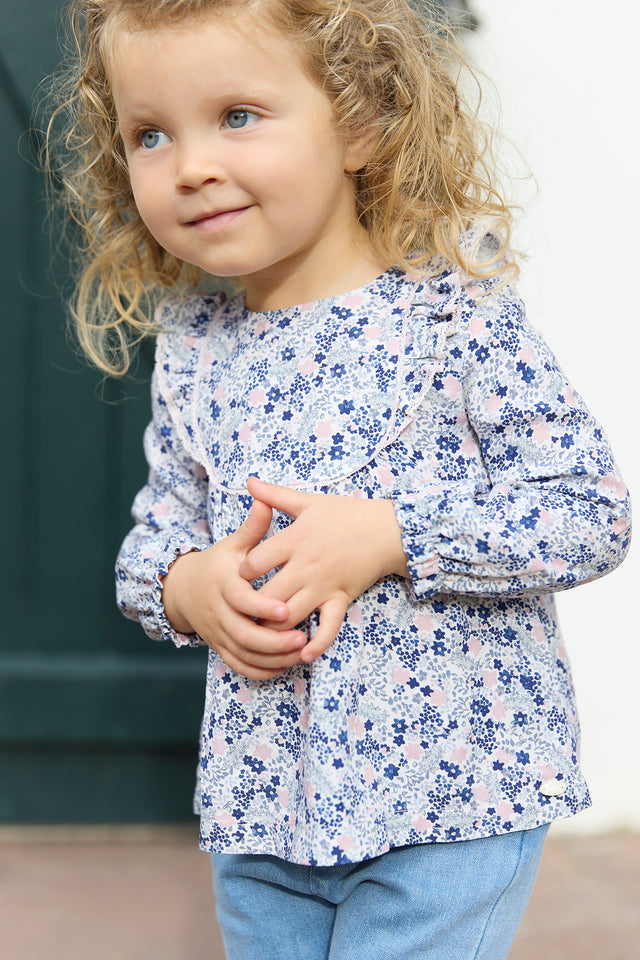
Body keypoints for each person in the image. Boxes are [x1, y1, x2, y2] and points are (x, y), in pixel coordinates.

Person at [46, 0, 631, 957]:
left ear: (359, 123)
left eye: (237, 116)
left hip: (452, 795)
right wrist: (189, 586)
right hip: (263, 803)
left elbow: (587, 511)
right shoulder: (196, 349)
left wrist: (392, 535)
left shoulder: (454, 314)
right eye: (151, 134)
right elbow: (156, 539)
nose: (190, 165)